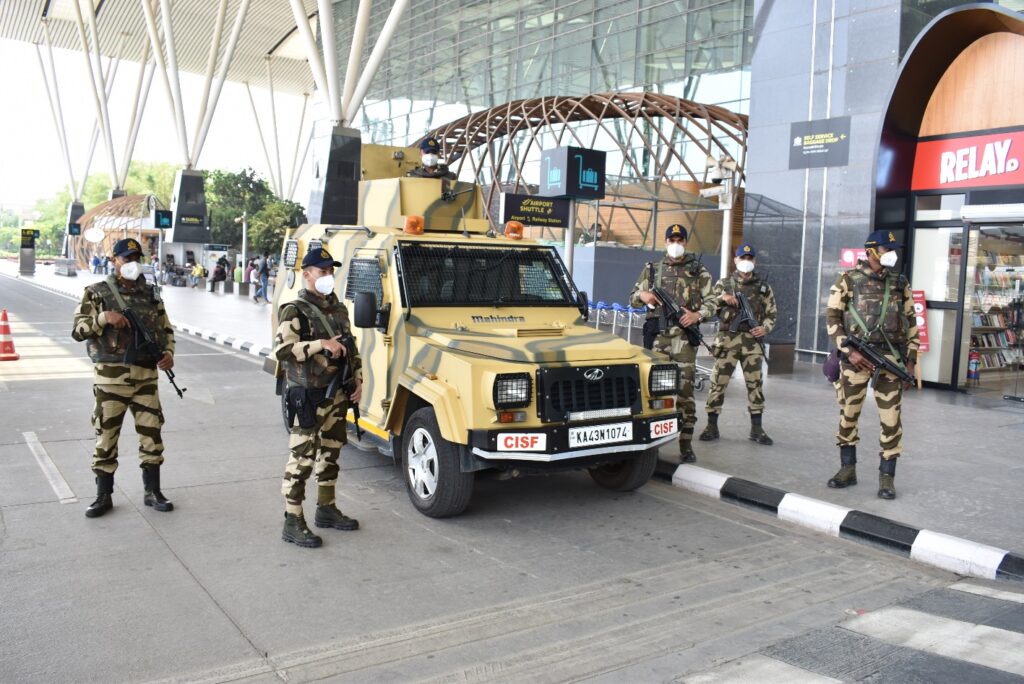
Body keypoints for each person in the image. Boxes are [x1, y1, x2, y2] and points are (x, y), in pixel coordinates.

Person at [71, 238, 176, 518]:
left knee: (152, 436)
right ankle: (103, 495)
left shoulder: (151, 294)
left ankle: (152, 491)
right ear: (114, 261)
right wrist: (103, 318)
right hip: (111, 379)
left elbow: (166, 330)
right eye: (126, 258)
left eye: (135, 258)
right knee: (106, 438)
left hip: (146, 377)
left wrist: (168, 353)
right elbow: (78, 330)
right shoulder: (96, 293)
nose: (132, 263)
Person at [273, 247, 363, 548]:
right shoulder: (294, 310)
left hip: (336, 392)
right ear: (307, 274)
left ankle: (326, 508)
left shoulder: (338, 309)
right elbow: (283, 351)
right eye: (323, 271)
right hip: (308, 396)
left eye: (330, 271)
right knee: (301, 459)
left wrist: (358, 380)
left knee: (332, 452)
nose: (328, 276)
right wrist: (318, 344)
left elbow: (351, 347)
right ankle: (292, 519)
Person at [825, 230, 919, 499]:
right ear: (870, 252)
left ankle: (886, 478)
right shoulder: (847, 281)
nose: (891, 253)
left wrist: (910, 361)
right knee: (848, 413)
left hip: (890, 361)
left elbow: (912, 324)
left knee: (891, 420)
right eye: (886, 249)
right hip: (856, 359)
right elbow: (832, 319)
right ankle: (847, 470)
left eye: (892, 249)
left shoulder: (900, 283)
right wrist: (849, 351)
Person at [629, 224, 714, 463]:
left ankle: (685, 444)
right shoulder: (652, 270)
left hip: (685, 341)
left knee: (685, 393)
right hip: (658, 340)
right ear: (665, 242)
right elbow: (633, 297)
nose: (676, 243)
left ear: (685, 242)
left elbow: (713, 301)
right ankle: (651, 444)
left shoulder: (698, 271)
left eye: (680, 239)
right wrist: (643, 296)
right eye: (671, 239)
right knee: (652, 392)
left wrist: (698, 315)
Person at [699, 243, 777, 445]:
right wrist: (723, 297)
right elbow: (709, 306)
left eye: (750, 259)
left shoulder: (763, 287)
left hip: (752, 343)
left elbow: (771, 314)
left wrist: (764, 328)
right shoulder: (724, 284)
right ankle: (711, 426)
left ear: (755, 261)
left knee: (755, 385)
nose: (746, 262)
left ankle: (757, 429)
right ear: (735, 260)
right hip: (727, 341)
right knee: (718, 383)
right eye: (743, 258)